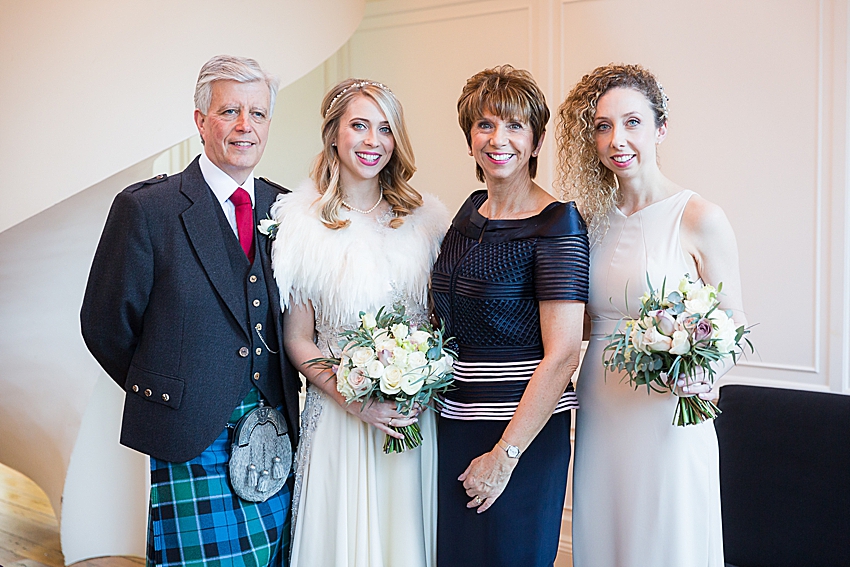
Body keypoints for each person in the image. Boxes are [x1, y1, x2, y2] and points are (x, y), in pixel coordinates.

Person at [80, 55, 301, 567]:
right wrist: (172, 392)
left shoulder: (287, 210)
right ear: (201, 121)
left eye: (259, 114)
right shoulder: (148, 209)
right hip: (188, 436)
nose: (246, 126)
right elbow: (104, 324)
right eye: (230, 112)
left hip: (274, 436)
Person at [557, 63, 747, 567]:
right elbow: (578, 323)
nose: (617, 139)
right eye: (603, 126)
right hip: (600, 403)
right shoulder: (588, 221)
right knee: (606, 532)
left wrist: (706, 375)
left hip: (669, 409)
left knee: (667, 536)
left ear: (660, 128)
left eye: (632, 122)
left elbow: (734, 324)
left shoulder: (700, 217)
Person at [269, 79, 449, 566]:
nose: (373, 141)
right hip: (342, 422)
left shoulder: (427, 221)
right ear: (333, 134)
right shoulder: (301, 225)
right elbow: (297, 339)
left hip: (413, 420)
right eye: (360, 126)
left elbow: (437, 322)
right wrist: (356, 402)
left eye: (385, 129)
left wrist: (416, 379)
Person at [430, 65, 589, 566]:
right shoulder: (469, 211)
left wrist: (505, 455)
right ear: (470, 138)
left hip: (519, 434)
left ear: (537, 141)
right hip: (452, 425)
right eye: (485, 125)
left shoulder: (557, 222)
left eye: (515, 126)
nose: (499, 139)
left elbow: (563, 355)